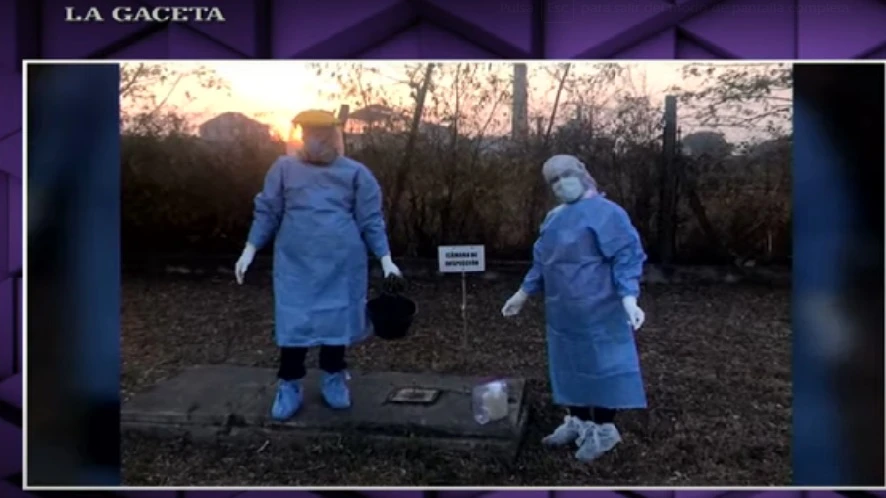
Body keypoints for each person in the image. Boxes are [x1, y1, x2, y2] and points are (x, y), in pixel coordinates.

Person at [234, 110, 402, 421]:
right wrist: (250, 248)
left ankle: (333, 377)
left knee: (336, 320)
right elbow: (268, 210)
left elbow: (370, 219)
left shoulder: (355, 173)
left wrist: (386, 259)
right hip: (296, 264)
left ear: (335, 136)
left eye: (324, 134)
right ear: (302, 134)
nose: (318, 140)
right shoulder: (284, 169)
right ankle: (289, 383)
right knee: (294, 321)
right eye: (312, 133)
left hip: (341, 263)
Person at [501, 154, 648, 462]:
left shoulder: (608, 213)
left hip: (600, 307)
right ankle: (577, 420)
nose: (560, 184)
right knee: (568, 364)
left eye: (564, 175)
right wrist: (523, 293)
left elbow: (627, 255)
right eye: (553, 180)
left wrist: (628, 297)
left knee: (602, 366)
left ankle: (604, 430)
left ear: (582, 174)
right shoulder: (554, 218)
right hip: (563, 310)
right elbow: (543, 261)